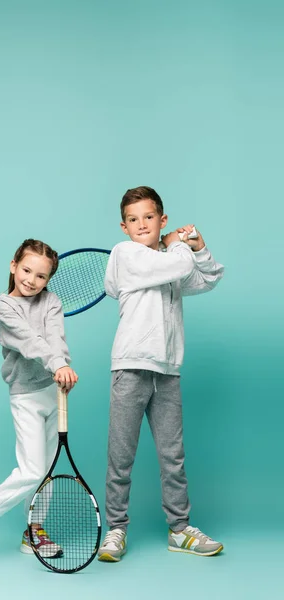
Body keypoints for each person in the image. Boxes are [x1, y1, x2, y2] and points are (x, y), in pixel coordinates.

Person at [98, 186, 224, 562]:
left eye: (149, 218)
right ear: (124, 227)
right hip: (131, 367)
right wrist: (177, 245)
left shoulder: (168, 262)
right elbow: (179, 264)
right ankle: (116, 529)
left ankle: (180, 529)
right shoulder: (126, 254)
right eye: (133, 220)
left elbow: (207, 278)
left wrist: (198, 246)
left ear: (161, 219)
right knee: (121, 456)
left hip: (168, 371)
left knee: (173, 456)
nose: (142, 225)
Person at [0, 239, 78, 561]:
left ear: (48, 280)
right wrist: (57, 364)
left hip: (54, 392)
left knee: (47, 470)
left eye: (41, 276)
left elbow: (55, 339)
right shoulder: (4, 306)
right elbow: (30, 341)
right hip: (25, 395)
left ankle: (33, 531)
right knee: (32, 470)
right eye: (26, 270)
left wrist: (62, 366)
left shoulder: (51, 302)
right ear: (13, 266)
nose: (31, 280)